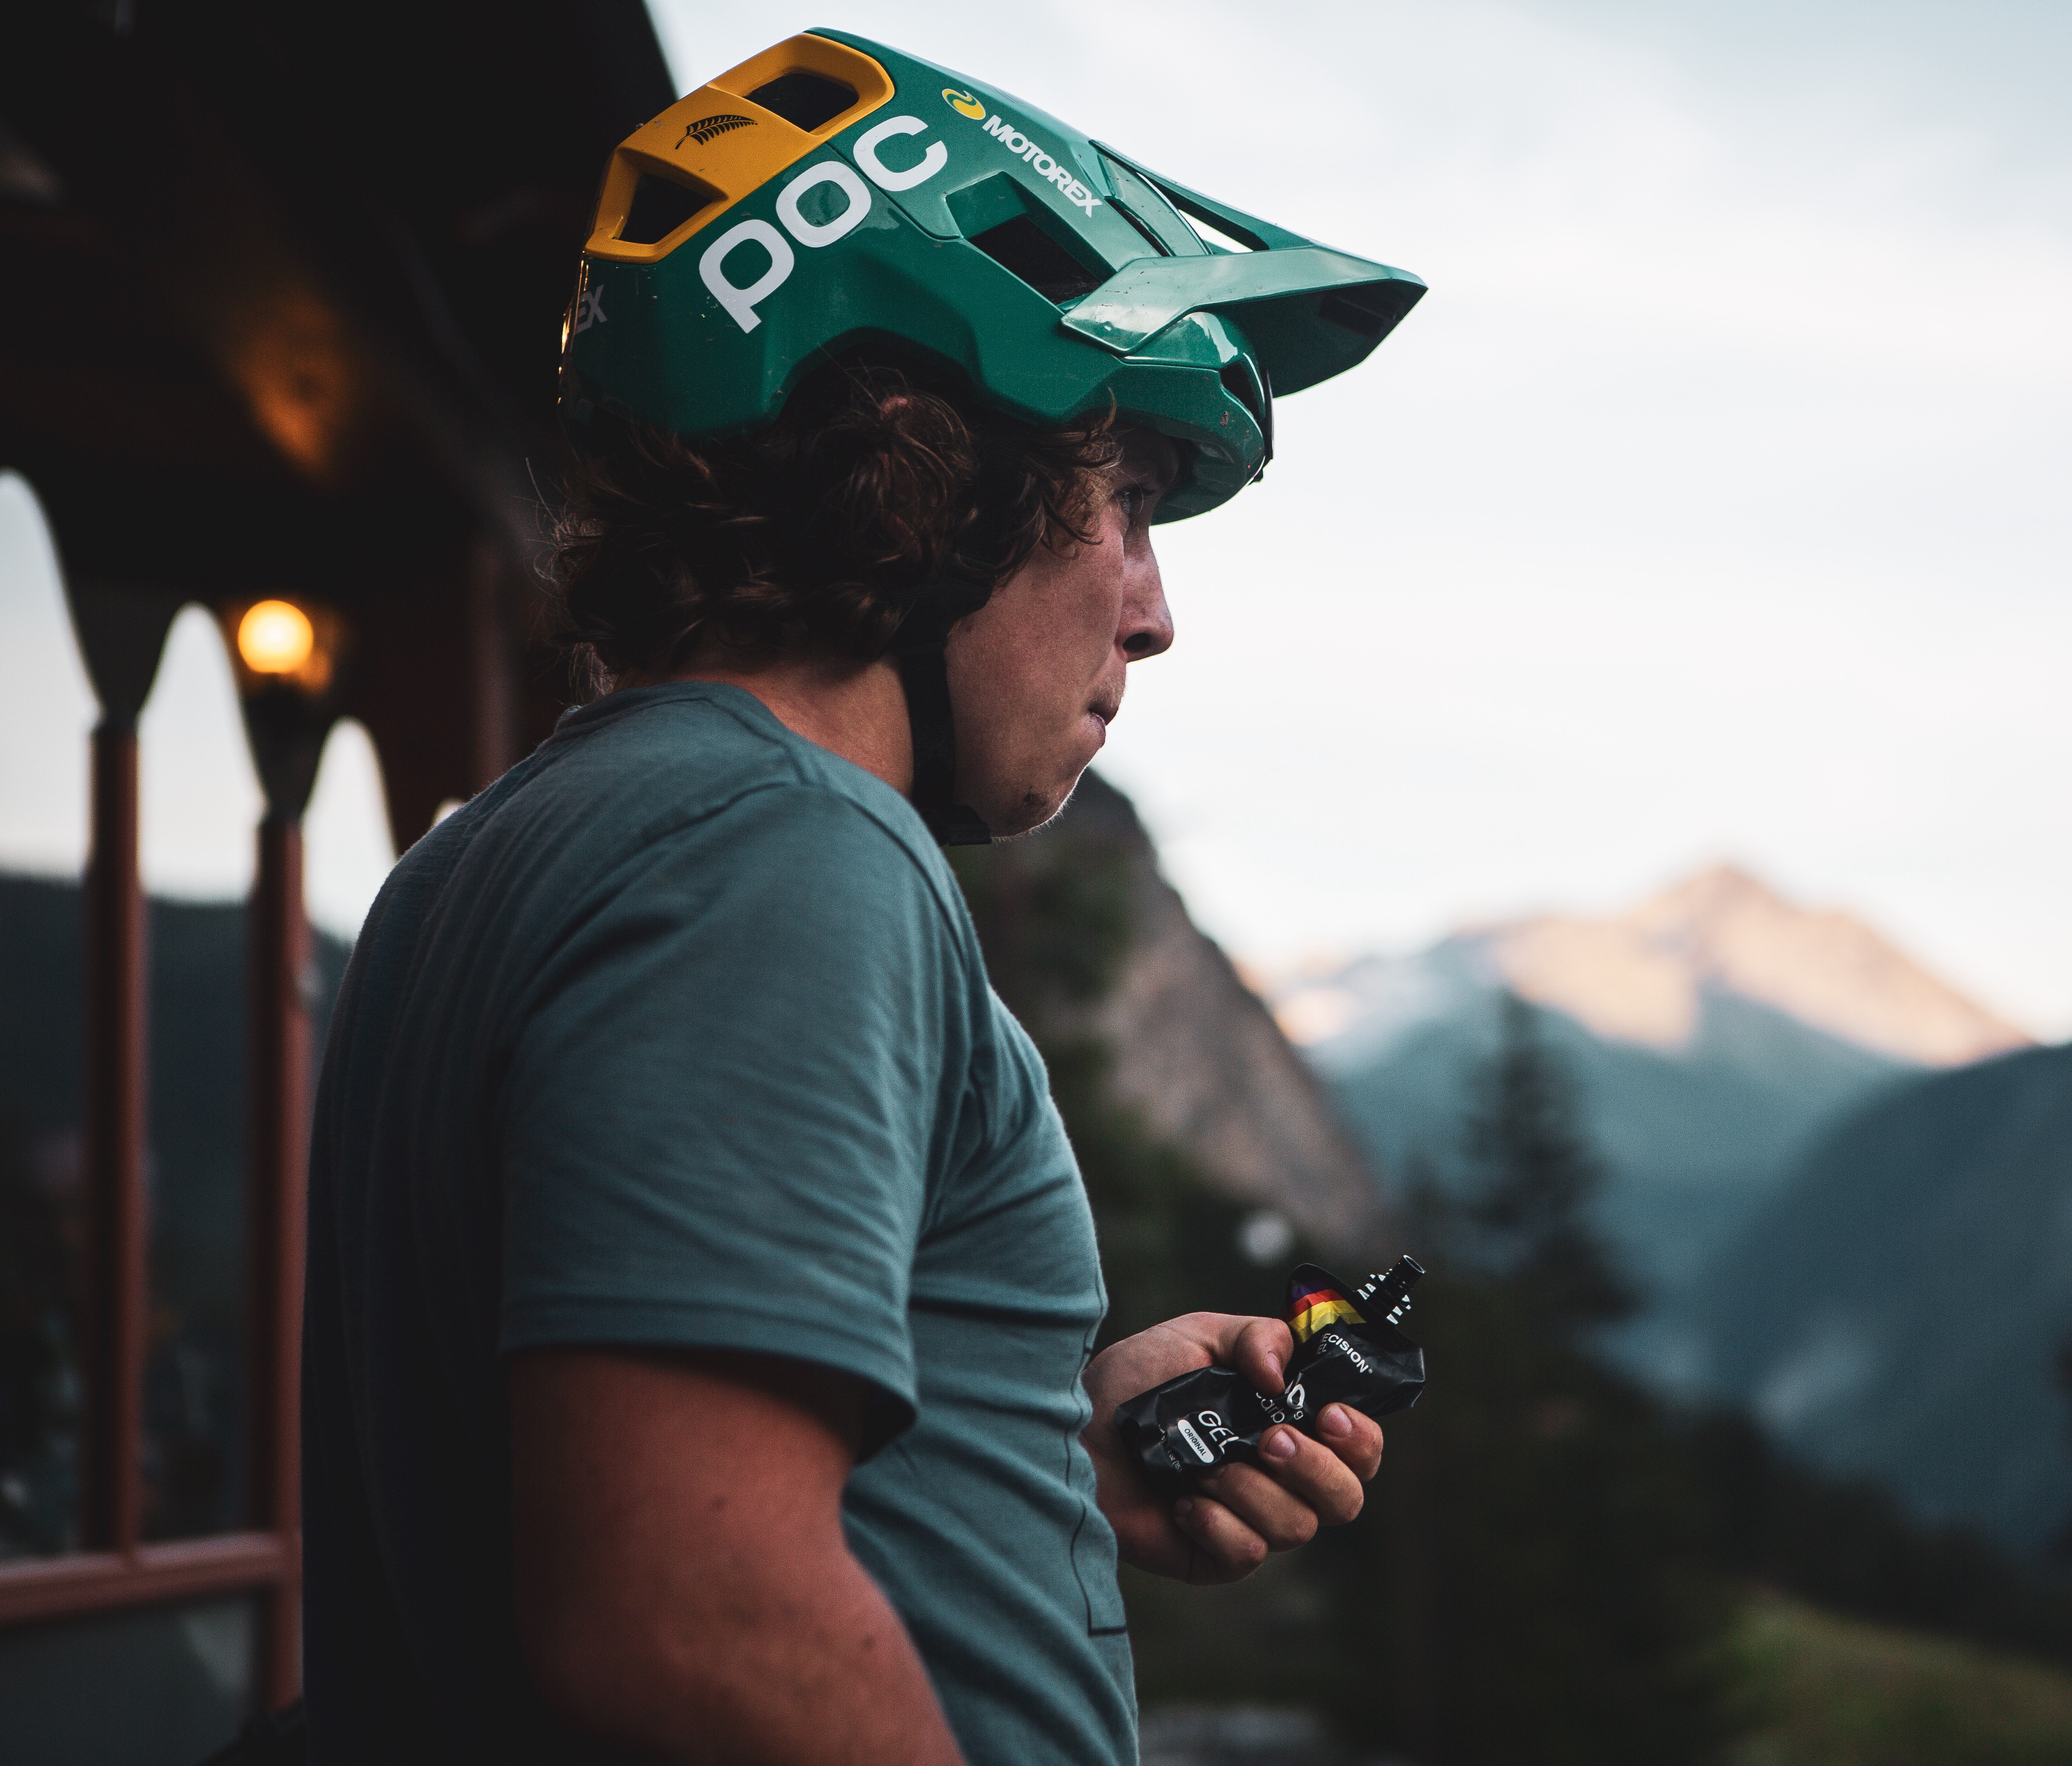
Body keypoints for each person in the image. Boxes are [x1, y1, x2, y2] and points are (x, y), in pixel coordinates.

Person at [299, 29, 1422, 1765]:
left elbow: (633, 1454)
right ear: (930, 466)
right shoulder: (780, 853)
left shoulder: (503, 850)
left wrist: (1040, 1455)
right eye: (1125, 500)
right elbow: (688, 1614)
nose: (1152, 609)